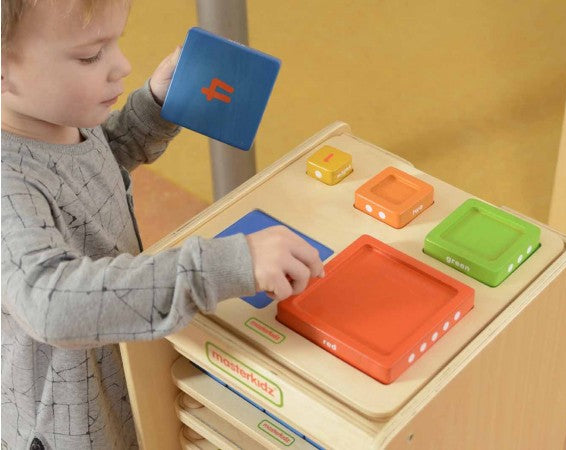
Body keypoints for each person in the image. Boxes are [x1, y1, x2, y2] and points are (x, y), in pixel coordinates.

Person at [0, 0, 324, 448]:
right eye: (91, 55)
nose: (122, 66)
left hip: (119, 363)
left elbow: (93, 169)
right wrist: (219, 267)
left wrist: (153, 109)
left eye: (117, 43)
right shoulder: (7, 182)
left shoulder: (58, 118)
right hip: (67, 419)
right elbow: (48, 302)